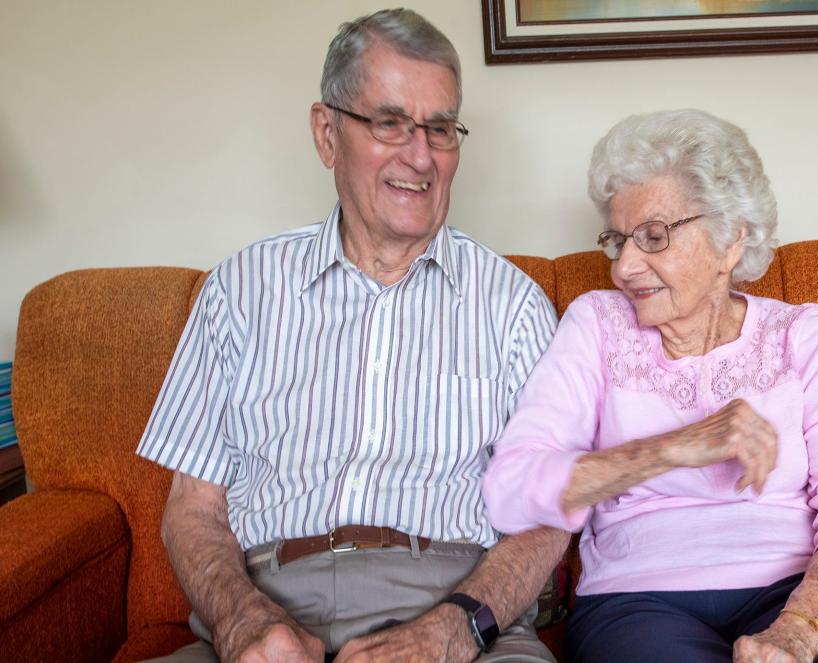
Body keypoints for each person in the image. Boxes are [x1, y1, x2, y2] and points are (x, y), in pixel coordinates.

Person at [137, 9, 568, 663]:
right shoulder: (240, 290)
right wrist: (243, 619)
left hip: (456, 615)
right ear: (326, 132)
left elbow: (548, 515)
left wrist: (451, 630)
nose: (420, 156)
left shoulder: (511, 307)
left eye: (440, 128)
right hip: (268, 609)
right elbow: (192, 507)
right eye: (389, 122)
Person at [481, 109, 818, 663]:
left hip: (796, 586)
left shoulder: (798, 333)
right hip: (638, 599)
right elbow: (511, 490)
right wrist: (676, 447)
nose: (624, 267)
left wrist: (799, 626)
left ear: (731, 239)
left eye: (653, 236)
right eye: (618, 240)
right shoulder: (595, 323)